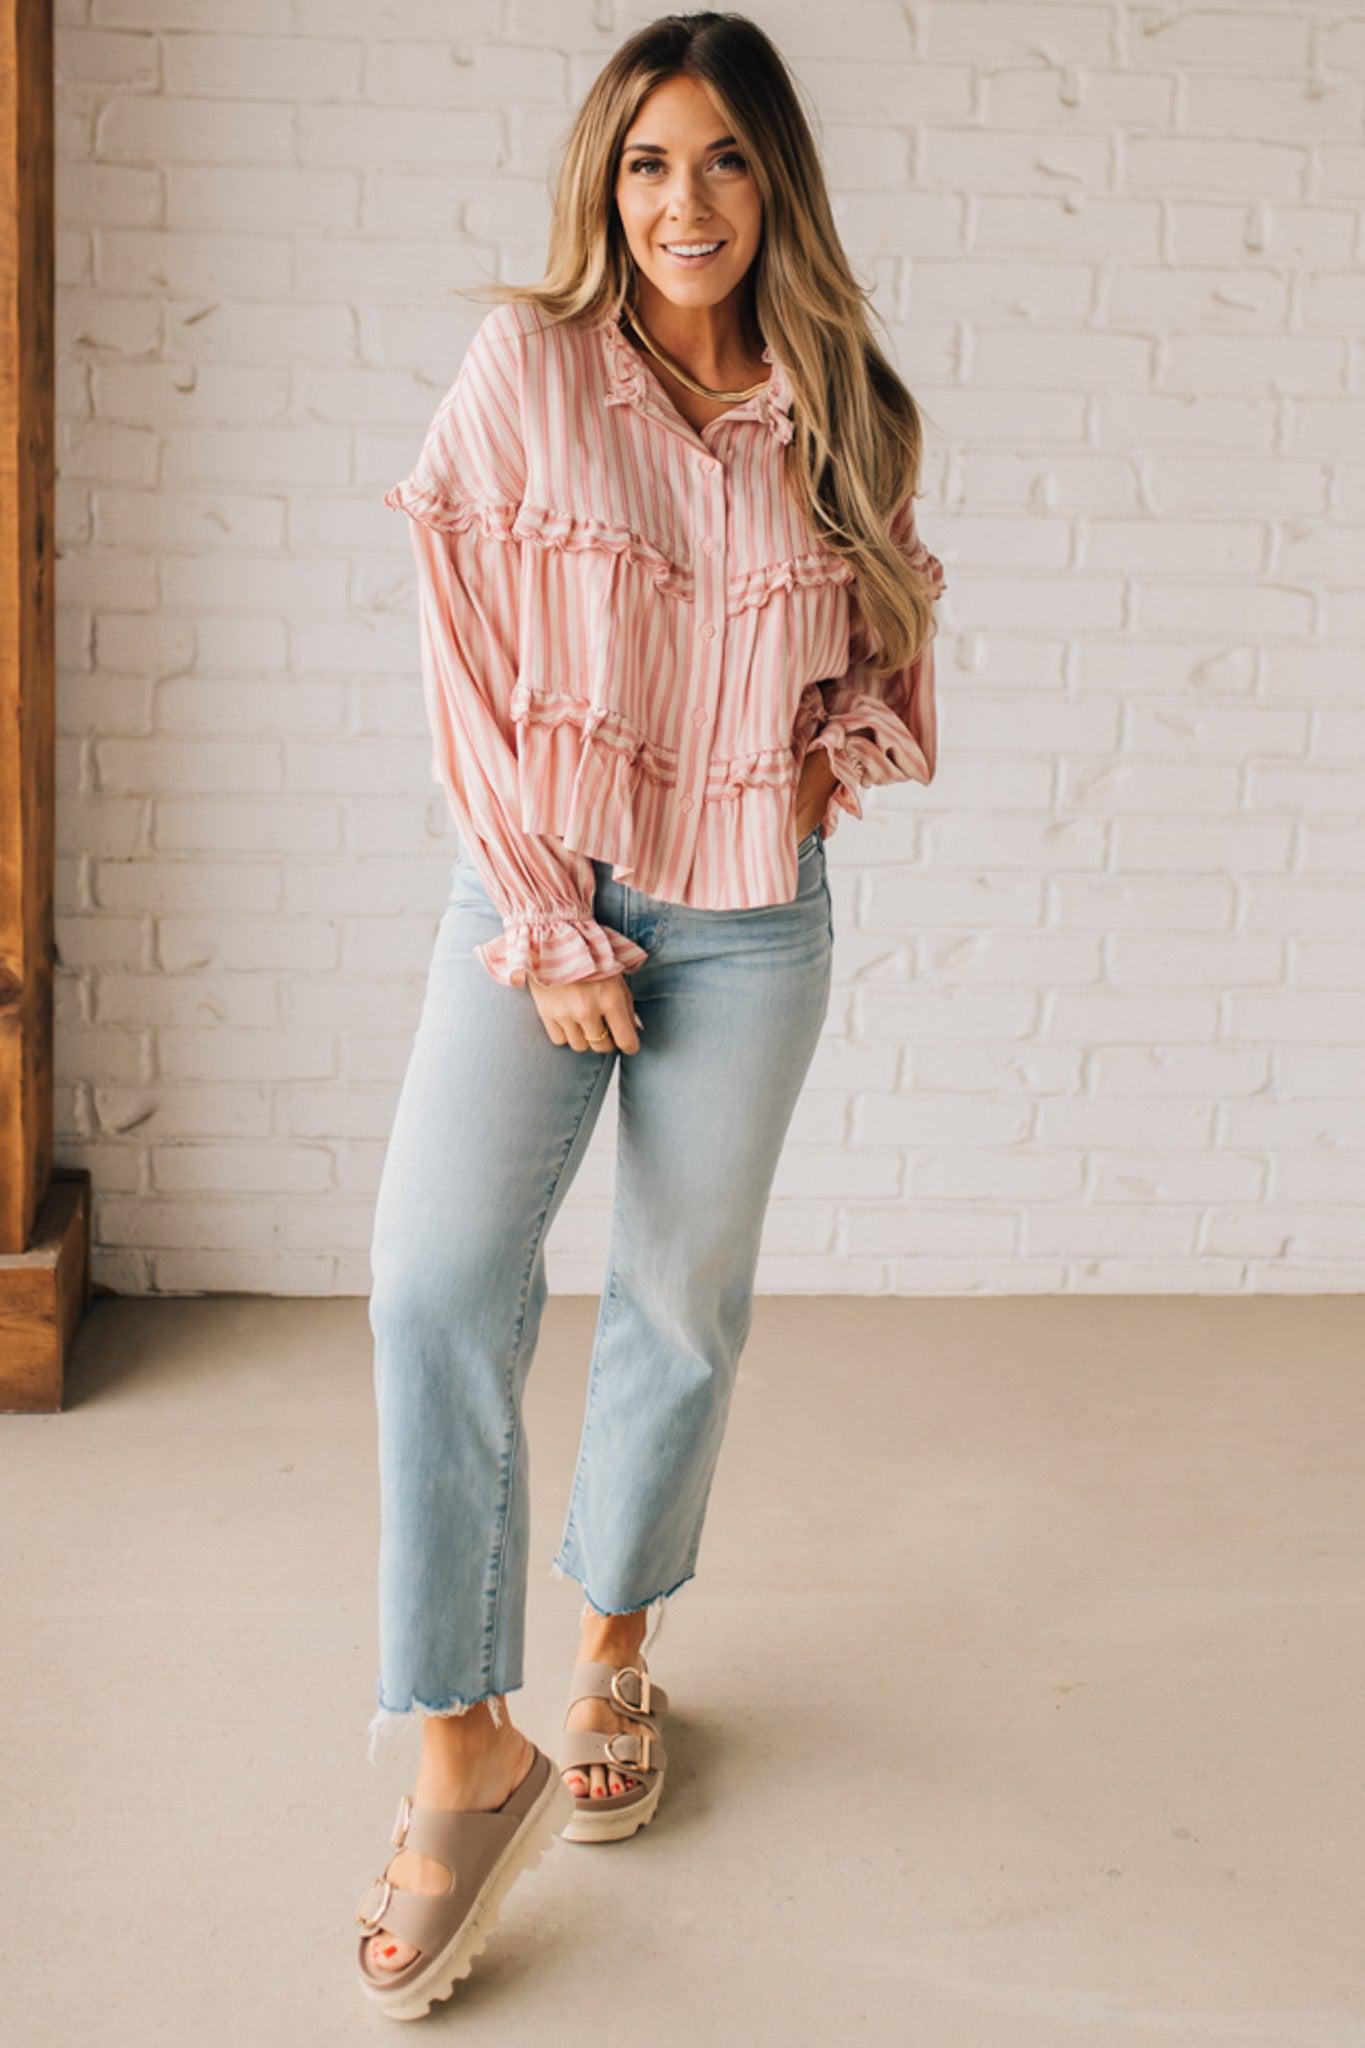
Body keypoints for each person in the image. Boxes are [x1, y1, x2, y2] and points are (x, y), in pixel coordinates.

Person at [352, 9, 945, 2017]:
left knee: (679, 1306)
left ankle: (610, 1654)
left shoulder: (845, 397)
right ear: (600, 186)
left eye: (716, 160)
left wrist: (815, 754)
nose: (677, 201)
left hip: (751, 921)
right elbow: (454, 646)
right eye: (640, 163)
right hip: (540, 898)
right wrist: (549, 910)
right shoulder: (523, 374)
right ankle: (461, 1740)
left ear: (773, 182)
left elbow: (877, 633)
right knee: (437, 1279)